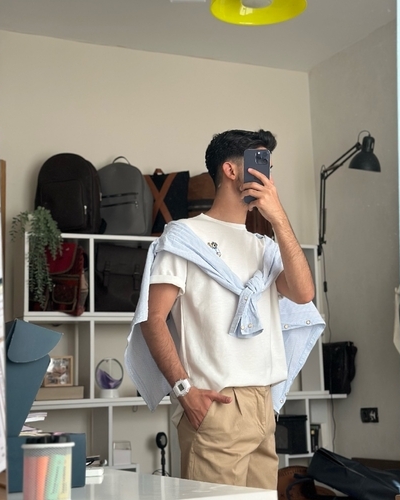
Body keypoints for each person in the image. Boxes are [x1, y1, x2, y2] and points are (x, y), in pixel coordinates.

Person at [125, 129, 325, 490]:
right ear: (231, 170)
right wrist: (184, 392)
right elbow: (152, 320)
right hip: (215, 405)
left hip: (264, 406)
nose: (268, 175)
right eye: (260, 163)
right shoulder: (183, 237)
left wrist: (279, 218)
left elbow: (304, 293)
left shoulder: (265, 247)